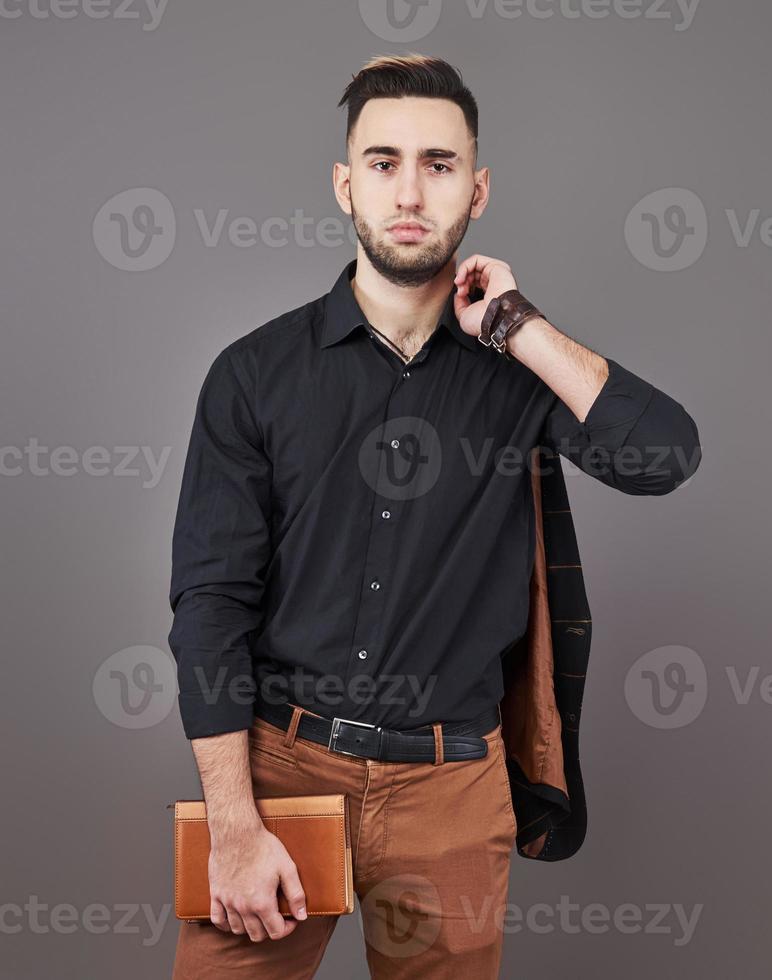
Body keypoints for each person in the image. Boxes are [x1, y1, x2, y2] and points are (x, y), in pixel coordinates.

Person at [168, 53, 701, 980]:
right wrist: (231, 824)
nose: (409, 191)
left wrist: (522, 325)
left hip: (454, 789)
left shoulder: (517, 375)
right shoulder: (253, 375)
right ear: (345, 184)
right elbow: (210, 604)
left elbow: (664, 458)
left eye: (439, 164)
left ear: (478, 189)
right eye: (383, 162)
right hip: (283, 773)